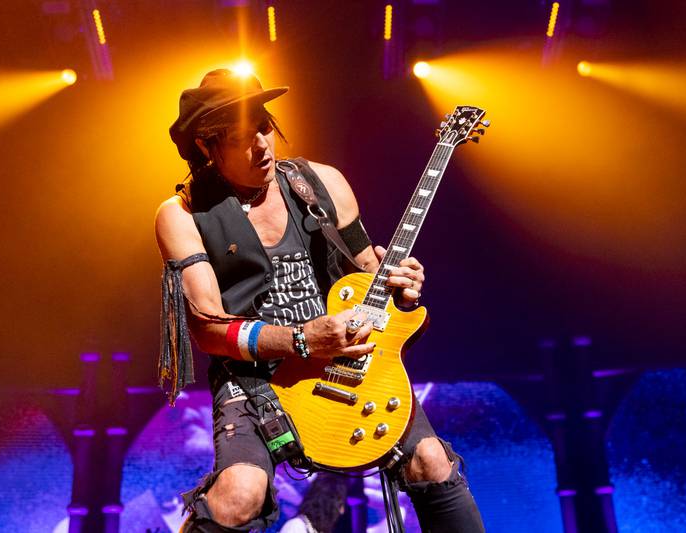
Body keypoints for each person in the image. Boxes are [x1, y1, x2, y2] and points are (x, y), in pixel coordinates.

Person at [155, 68, 484, 532]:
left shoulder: (323, 182)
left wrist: (401, 286)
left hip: (347, 365)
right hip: (255, 381)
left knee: (431, 461)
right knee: (238, 496)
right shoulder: (183, 214)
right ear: (208, 146)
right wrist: (302, 340)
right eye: (239, 139)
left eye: (264, 128)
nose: (262, 147)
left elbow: (370, 274)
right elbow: (208, 328)